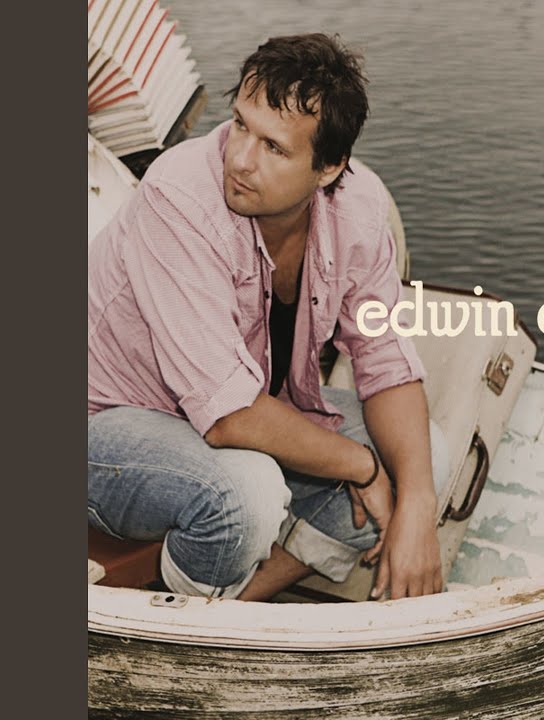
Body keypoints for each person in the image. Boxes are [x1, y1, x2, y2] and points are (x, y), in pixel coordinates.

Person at [87, 33, 449, 602]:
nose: (240, 159)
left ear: (329, 168)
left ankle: (243, 604)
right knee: (245, 496)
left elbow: (386, 362)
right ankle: (186, 626)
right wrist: (361, 468)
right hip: (105, 421)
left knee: (426, 457)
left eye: (274, 148)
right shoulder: (178, 198)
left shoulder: (358, 208)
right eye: (240, 124)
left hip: (231, 413)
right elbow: (228, 416)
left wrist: (420, 507)